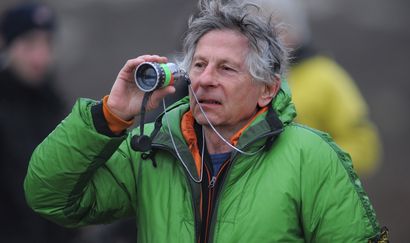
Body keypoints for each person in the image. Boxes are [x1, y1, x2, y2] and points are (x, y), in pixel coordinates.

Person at [24, 0, 388, 242]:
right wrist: (110, 116)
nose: (204, 79)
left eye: (226, 68)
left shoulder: (313, 158)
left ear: (267, 89)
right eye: (198, 65)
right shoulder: (152, 149)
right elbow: (49, 196)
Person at [242, 0, 382, 176]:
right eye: (256, 30)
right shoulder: (240, 77)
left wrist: (311, 166)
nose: (265, 39)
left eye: (275, 28)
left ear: (296, 32)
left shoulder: (325, 77)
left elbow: (364, 146)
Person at [0, 2, 77, 242]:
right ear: (7, 45)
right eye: (29, 43)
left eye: (47, 43)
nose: (40, 55)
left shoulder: (54, 103)